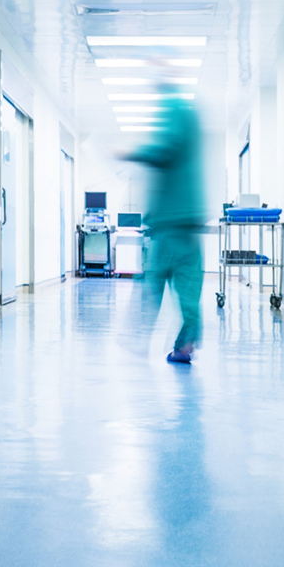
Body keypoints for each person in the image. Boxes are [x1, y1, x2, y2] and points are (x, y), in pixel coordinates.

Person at [126, 88, 210, 364]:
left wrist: (131, 153)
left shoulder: (175, 117)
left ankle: (137, 336)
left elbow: (163, 150)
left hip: (167, 225)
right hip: (190, 225)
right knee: (189, 290)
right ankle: (185, 345)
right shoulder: (193, 125)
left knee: (152, 284)